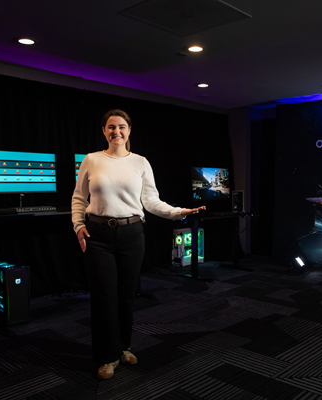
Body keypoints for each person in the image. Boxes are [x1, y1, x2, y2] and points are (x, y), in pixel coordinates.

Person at [72, 109, 205, 380]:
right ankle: (107, 356)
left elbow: (151, 201)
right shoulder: (91, 160)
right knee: (104, 296)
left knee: (126, 295)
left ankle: (123, 347)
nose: (116, 131)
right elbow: (78, 198)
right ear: (104, 131)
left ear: (129, 130)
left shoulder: (141, 162)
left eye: (122, 126)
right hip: (98, 235)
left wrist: (179, 212)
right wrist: (78, 225)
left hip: (132, 234)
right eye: (111, 127)